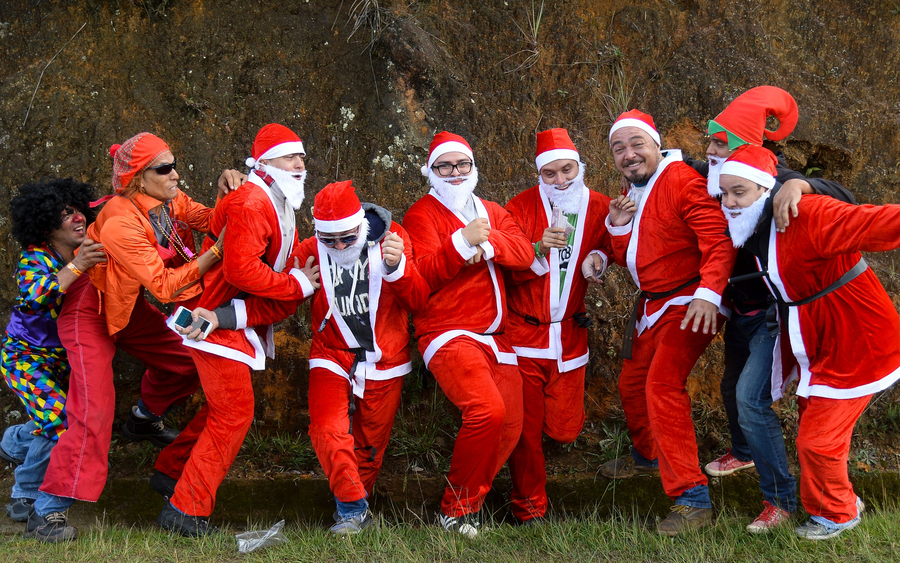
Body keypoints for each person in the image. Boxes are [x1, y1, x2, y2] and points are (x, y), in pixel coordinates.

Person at [33, 132, 230, 542]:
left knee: (194, 360)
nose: (175, 174)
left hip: (124, 306)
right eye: (165, 169)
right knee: (94, 410)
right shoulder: (121, 219)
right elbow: (163, 286)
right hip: (90, 309)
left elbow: (209, 219)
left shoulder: (168, 198)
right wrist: (215, 255)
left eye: (174, 164)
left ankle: (144, 419)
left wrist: (230, 193)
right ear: (140, 178)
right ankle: (47, 509)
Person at [686, 85, 856, 533]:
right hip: (743, 310)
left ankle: (792, 498)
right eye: (710, 141)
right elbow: (693, 168)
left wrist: (804, 183)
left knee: (761, 400)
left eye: (719, 142)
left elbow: (844, 199)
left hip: (781, 316)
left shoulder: (776, 179)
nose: (709, 150)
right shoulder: (720, 176)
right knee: (734, 391)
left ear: (744, 145)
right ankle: (755, 465)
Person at [718, 144, 900, 540]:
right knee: (814, 424)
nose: (729, 202)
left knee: (817, 441)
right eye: (724, 193)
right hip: (813, 337)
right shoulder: (753, 221)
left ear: (765, 190)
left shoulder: (811, 213)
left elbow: (882, 222)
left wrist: (803, 185)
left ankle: (836, 513)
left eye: (738, 192)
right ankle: (842, 499)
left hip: (857, 337)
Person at [155, 123, 318, 537]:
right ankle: (185, 509)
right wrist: (296, 284)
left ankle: (170, 472)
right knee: (234, 413)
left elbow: (270, 261)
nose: (299, 163)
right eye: (289, 157)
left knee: (219, 409)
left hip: (223, 318)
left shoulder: (276, 198)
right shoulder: (251, 202)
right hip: (211, 320)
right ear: (264, 162)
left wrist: (300, 272)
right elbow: (242, 269)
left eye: (301, 156)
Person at [598, 110, 737, 535]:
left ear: (657, 144)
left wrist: (710, 293)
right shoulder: (633, 188)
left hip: (691, 300)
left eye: (636, 143)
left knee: (662, 385)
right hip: (655, 304)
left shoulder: (680, 180)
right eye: (619, 148)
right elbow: (637, 255)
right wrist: (616, 231)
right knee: (632, 383)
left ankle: (692, 497)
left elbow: (718, 240)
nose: (628, 154)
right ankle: (647, 456)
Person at [402, 131, 533, 537]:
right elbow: (421, 275)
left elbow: (525, 252)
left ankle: (467, 504)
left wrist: (487, 243)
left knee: (510, 426)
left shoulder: (491, 210)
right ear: (431, 171)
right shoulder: (421, 215)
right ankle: (454, 511)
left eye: (463, 164)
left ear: (474, 167)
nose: (455, 172)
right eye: (445, 166)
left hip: (497, 335)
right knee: (487, 411)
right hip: (447, 331)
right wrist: (460, 244)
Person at [297, 180, 428, 535]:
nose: (338, 246)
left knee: (369, 447)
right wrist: (297, 283)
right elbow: (274, 291)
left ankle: (355, 509)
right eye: (330, 240)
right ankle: (353, 508)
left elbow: (417, 300)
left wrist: (398, 266)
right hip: (331, 352)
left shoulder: (393, 237)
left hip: (385, 358)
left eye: (346, 237)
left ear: (361, 224)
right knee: (327, 428)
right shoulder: (309, 249)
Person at [504, 128, 614, 525]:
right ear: (539, 175)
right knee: (525, 432)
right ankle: (529, 508)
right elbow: (505, 271)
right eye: (550, 174)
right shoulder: (517, 208)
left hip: (569, 336)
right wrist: (537, 250)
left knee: (565, 429)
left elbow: (609, 246)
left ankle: (548, 467)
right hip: (524, 339)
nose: (560, 180)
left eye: (567, 170)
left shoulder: (600, 205)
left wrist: (598, 258)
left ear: (580, 166)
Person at [0, 179, 106, 539]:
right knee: (58, 420)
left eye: (80, 211)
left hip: (62, 361)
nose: (78, 219)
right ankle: (25, 495)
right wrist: (78, 266)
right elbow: (38, 295)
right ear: (46, 225)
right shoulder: (36, 257)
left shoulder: (88, 251)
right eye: (66, 215)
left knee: (53, 421)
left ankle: (15, 442)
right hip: (24, 358)